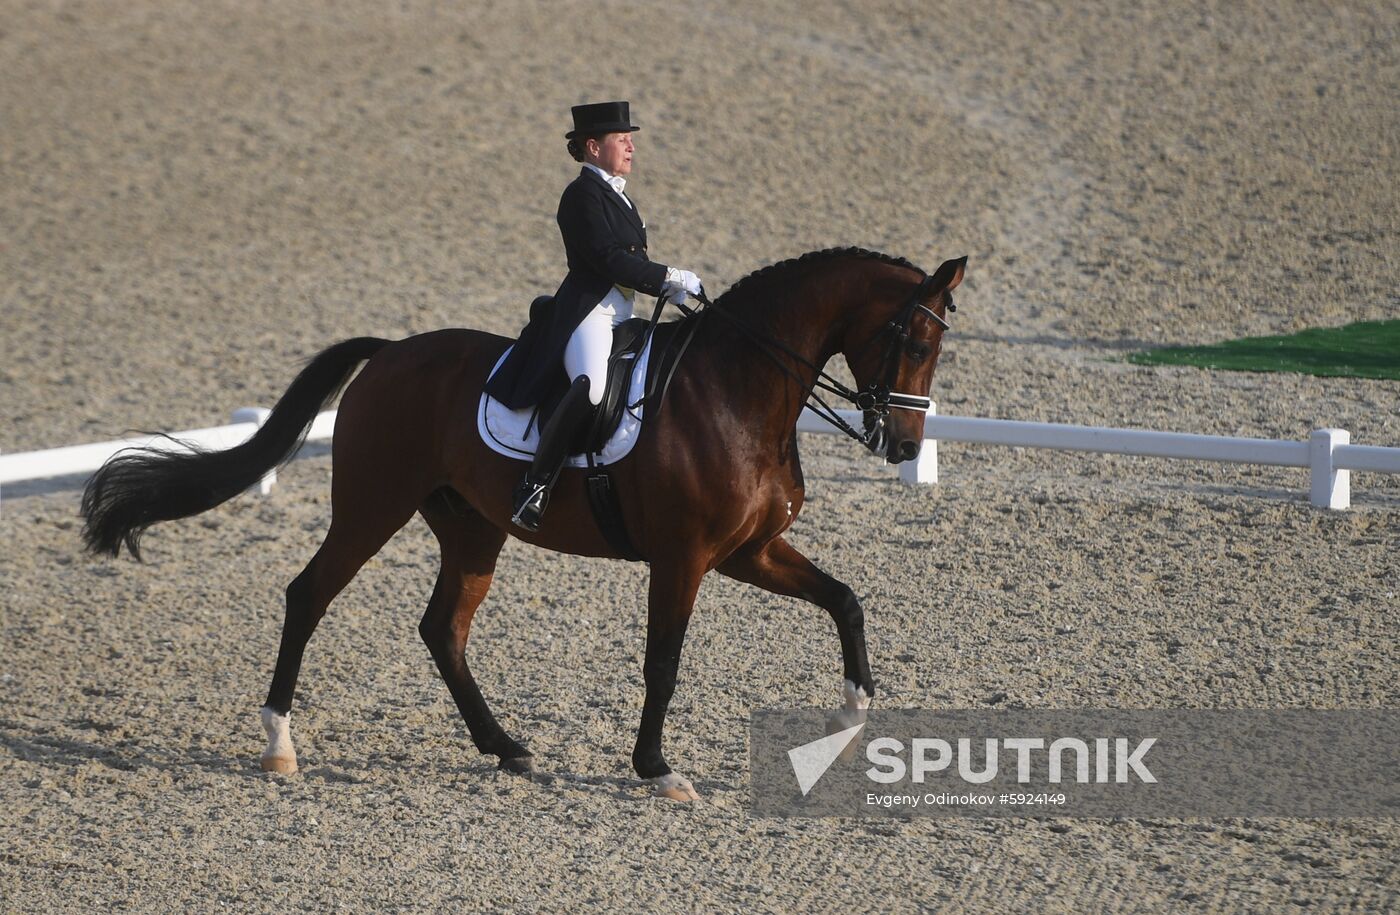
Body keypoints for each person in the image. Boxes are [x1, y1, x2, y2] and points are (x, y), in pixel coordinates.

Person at [483, 100, 703, 531]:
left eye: (630, 140)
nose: (630, 147)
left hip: (621, 314)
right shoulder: (580, 195)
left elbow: (629, 260)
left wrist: (673, 291)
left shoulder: (621, 198)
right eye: (621, 140)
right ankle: (534, 484)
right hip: (588, 313)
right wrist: (667, 276)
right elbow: (607, 259)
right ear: (593, 147)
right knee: (593, 388)